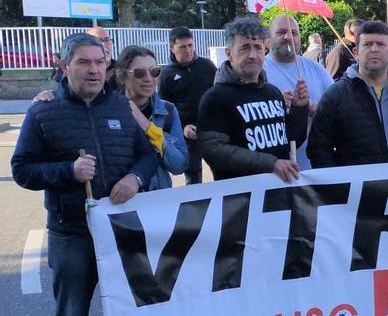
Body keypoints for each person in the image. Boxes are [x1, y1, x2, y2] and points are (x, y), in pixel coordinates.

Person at [11, 33, 160, 316]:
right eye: (83, 62)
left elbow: (148, 155)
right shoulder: (43, 112)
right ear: (64, 66)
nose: (94, 70)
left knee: (137, 310)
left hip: (122, 231)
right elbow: (22, 169)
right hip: (71, 234)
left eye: (99, 62)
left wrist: (135, 178)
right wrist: (68, 171)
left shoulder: (120, 106)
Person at [307, 21, 388, 167]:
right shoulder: (335, 96)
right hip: (356, 182)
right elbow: (318, 148)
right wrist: (340, 179)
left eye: (381, 44)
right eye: (367, 44)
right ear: (356, 52)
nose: (374, 49)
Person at [197, 19, 309, 181]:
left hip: (278, 191)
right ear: (229, 53)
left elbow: (291, 141)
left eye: (258, 47)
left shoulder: (273, 93)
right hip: (241, 194)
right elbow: (214, 151)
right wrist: (270, 163)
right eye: (245, 48)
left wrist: (299, 108)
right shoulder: (215, 98)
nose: (252, 55)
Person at [263, 14, 335, 171]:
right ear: (268, 38)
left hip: (314, 166)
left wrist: (316, 109)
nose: (288, 37)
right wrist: (275, 104)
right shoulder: (258, 71)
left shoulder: (317, 70)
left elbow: (337, 108)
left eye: (293, 33)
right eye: (281, 32)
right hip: (275, 169)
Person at [112, 46, 188, 190]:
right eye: (139, 73)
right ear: (122, 75)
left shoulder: (168, 111)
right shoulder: (108, 110)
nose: (148, 78)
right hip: (119, 196)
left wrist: (150, 129)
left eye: (154, 71)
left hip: (158, 198)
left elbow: (179, 166)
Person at [159, 26, 217, 185]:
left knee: (222, 168)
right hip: (187, 133)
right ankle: (197, 201)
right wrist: (182, 128)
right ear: (172, 47)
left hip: (211, 129)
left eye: (190, 45)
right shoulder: (166, 74)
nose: (188, 50)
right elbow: (165, 109)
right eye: (183, 47)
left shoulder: (207, 66)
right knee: (193, 175)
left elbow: (219, 94)